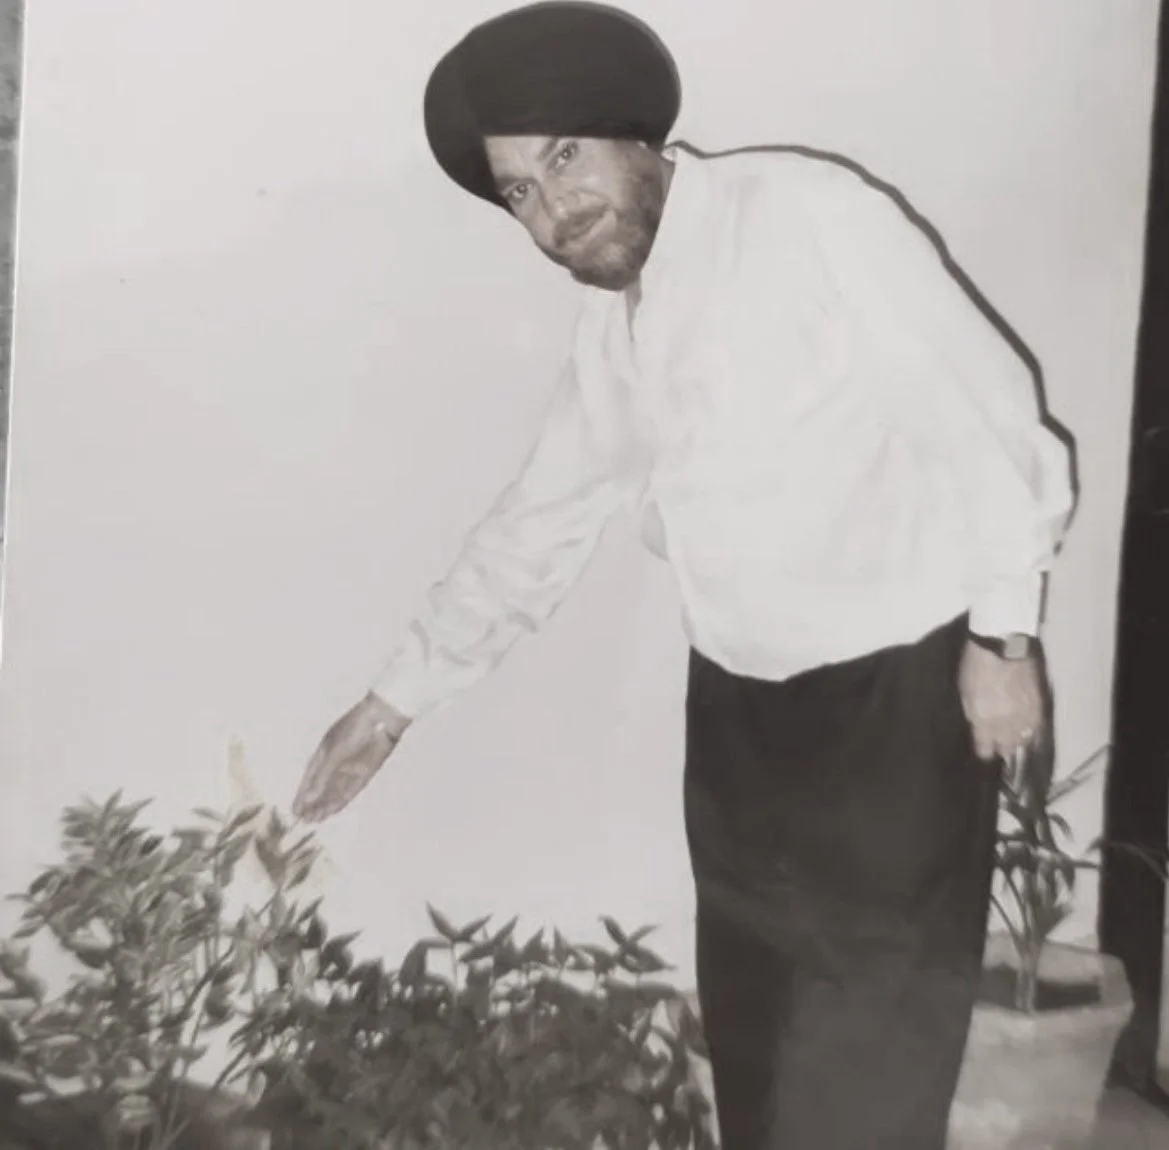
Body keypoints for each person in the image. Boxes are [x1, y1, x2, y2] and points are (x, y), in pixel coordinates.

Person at [292, 3, 1075, 1147]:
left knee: (863, 1095)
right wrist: (393, 700)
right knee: (754, 1081)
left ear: (630, 134)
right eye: (518, 191)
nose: (552, 211)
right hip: (737, 734)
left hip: (889, 718)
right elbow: (535, 523)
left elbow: (992, 422)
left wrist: (1003, 638)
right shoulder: (618, 331)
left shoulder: (803, 213)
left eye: (561, 157)